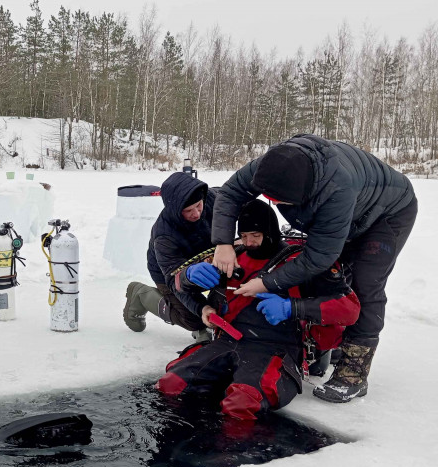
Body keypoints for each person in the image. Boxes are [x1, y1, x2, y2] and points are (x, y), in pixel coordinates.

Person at [210, 134, 417, 402]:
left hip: (387, 214)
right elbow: (230, 193)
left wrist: (267, 282)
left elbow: (318, 257)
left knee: (365, 284)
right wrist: (223, 242)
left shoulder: (337, 189)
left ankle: (353, 374)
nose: (278, 206)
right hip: (349, 208)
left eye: (282, 202)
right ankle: (336, 342)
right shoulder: (272, 165)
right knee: (333, 275)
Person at [156, 200, 360, 420]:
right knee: (171, 384)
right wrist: (191, 279)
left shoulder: (300, 263)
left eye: (255, 235)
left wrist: (291, 307)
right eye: (243, 236)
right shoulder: (233, 257)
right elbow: (177, 283)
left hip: (276, 348)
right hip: (229, 341)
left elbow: (349, 308)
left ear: (270, 232)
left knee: (242, 405)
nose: (249, 242)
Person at [123, 171, 217, 341]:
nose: (196, 213)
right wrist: (203, 309)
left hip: (208, 259)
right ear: (176, 209)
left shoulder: (212, 198)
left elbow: (238, 196)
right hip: (169, 273)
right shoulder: (164, 235)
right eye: (188, 210)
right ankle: (142, 295)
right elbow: (176, 282)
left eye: (198, 205)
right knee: (193, 319)